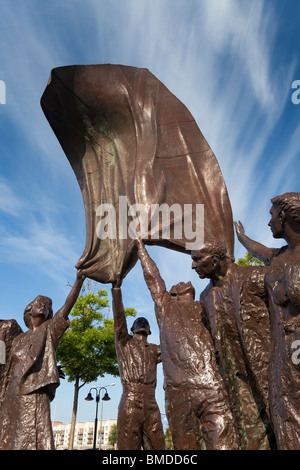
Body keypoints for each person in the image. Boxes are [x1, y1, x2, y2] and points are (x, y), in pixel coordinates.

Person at [135, 238, 238, 450]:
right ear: (172, 294)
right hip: (180, 393)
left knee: (225, 444)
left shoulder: (206, 303)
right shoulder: (166, 310)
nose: (184, 282)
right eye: (178, 285)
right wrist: (140, 248)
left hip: (212, 387)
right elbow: (153, 279)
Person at [192, 240, 275, 450]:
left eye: (197, 259)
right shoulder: (205, 297)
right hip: (237, 379)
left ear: (215, 259)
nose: (193, 266)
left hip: (271, 370)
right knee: (252, 438)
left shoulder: (255, 277)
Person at [235, 192, 300, 449]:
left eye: (271, 216)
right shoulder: (279, 257)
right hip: (282, 355)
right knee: (284, 416)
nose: (269, 222)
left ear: (283, 216)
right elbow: (260, 250)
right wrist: (242, 238)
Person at [0, 270, 85, 450]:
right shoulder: (16, 339)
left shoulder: (49, 330)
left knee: (34, 441)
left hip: (33, 393)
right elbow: (5, 365)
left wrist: (79, 280)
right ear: (30, 309)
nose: (44, 306)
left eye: (47, 306)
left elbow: (65, 309)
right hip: (11, 395)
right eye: (40, 303)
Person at [111, 282, 165, 450]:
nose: (141, 322)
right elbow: (119, 317)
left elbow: (174, 343)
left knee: (158, 447)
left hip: (151, 402)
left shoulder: (155, 349)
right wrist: (116, 289)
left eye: (144, 322)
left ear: (148, 331)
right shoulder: (124, 343)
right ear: (133, 329)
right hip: (130, 401)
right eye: (138, 322)